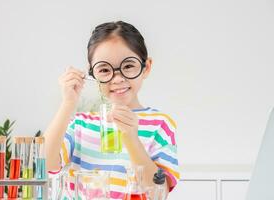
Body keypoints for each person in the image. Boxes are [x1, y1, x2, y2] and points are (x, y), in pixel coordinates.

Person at [44, 21, 179, 199]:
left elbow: (158, 192)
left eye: (128, 66)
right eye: (104, 70)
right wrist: (68, 103)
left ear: (146, 67)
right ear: (92, 73)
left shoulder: (160, 124)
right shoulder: (80, 123)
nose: (117, 79)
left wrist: (131, 139)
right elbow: (46, 164)